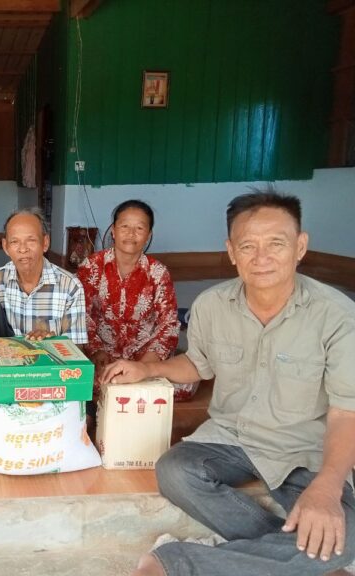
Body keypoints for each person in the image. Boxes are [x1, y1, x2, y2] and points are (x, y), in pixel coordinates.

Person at [101, 190, 355, 576]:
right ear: (232, 251)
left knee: (349, 527)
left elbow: (346, 412)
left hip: (303, 449)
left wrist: (328, 485)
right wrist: (147, 369)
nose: (261, 257)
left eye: (276, 244)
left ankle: (172, 565)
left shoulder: (338, 316)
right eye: (248, 246)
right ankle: (305, 563)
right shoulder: (212, 305)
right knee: (174, 470)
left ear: (300, 246)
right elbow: (198, 365)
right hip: (232, 438)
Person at [0, 207, 88, 362]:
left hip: (48, 367)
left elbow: (77, 349)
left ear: (45, 243)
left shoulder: (70, 286)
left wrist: (50, 343)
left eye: (31, 240)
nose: (23, 249)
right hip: (2, 362)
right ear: (5, 247)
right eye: (15, 242)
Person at [77, 200, 179, 371]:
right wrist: (96, 350)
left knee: (180, 380)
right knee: (82, 378)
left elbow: (169, 325)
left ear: (148, 235)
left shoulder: (158, 273)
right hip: (102, 358)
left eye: (139, 228)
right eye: (124, 226)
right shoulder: (91, 267)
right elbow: (80, 315)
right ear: (113, 230)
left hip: (145, 358)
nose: (131, 234)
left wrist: (144, 367)